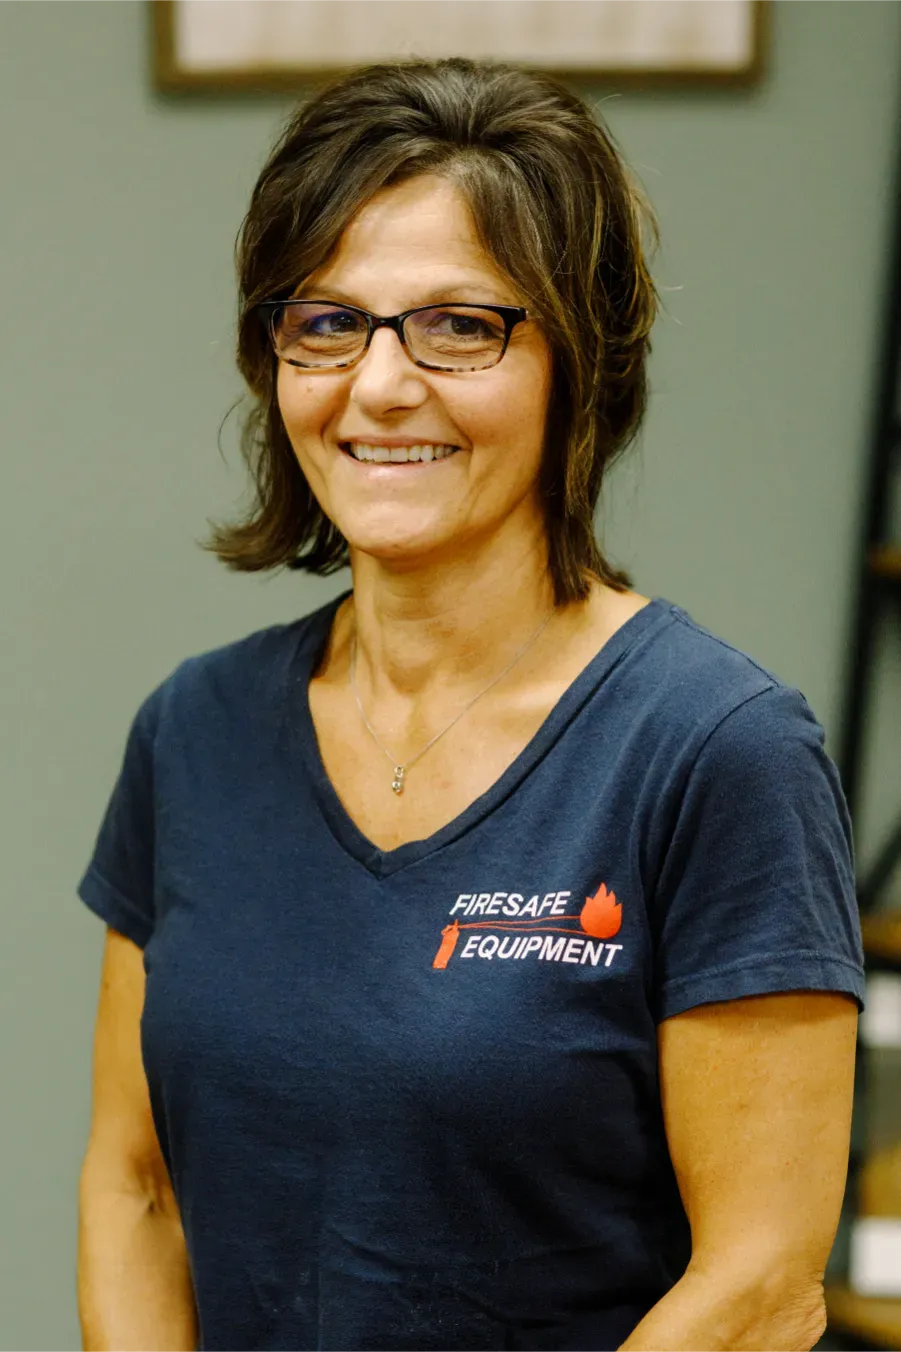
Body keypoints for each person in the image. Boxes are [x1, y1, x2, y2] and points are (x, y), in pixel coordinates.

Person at [75, 57, 865, 1352]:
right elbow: (136, 1190)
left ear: (581, 361)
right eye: (327, 321)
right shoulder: (193, 734)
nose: (381, 384)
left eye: (459, 325)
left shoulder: (717, 753)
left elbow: (761, 1289)